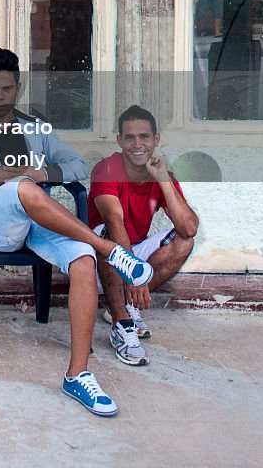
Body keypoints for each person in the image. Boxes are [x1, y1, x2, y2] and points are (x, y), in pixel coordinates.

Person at [0, 48, 154, 417]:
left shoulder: (36, 127)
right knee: (22, 189)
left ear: (18, 87)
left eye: (6, 89)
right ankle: (108, 248)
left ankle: (77, 374)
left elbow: (78, 163)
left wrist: (44, 174)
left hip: (37, 222)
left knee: (81, 261)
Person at [88, 105, 198, 367]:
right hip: (95, 261)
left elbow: (189, 228)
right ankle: (122, 324)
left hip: (132, 251)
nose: (138, 144)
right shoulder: (106, 169)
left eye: (144, 137)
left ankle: (127, 305)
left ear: (156, 139)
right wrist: (134, 272)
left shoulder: (161, 176)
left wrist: (162, 179)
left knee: (184, 240)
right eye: (130, 137)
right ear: (120, 141)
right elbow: (114, 223)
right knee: (108, 239)